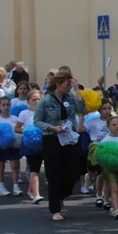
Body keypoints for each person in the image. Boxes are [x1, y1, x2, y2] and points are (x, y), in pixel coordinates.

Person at [33, 72, 87, 221]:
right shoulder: (46, 101)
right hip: (52, 139)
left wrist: (77, 89)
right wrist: (52, 127)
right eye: (67, 84)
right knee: (54, 173)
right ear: (58, 84)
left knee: (74, 170)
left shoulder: (70, 98)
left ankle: (60, 195)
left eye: (70, 84)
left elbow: (82, 108)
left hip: (68, 137)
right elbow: (37, 121)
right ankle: (55, 208)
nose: (69, 87)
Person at [98, 115, 118, 220]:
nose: (117, 126)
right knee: (114, 189)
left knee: (111, 186)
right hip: (109, 168)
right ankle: (115, 209)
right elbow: (101, 156)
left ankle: (106, 200)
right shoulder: (105, 141)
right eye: (114, 124)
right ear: (108, 127)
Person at [0, 97, 22, 196]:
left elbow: (18, 131)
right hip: (1, 146)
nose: (6, 107)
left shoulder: (15, 118)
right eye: (3, 105)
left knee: (14, 166)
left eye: (8, 105)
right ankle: (1, 187)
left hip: (12, 145)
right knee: (1, 167)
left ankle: (16, 187)